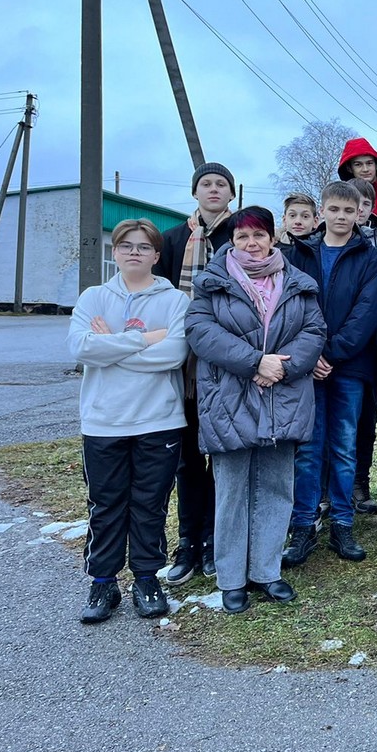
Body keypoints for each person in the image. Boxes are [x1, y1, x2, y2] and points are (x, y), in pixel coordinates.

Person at [185, 206, 326, 614]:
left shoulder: (298, 283)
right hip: (230, 397)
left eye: (259, 235)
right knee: (232, 490)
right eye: (243, 236)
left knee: (277, 487)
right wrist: (254, 362)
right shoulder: (212, 282)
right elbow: (199, 331)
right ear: (232, 241)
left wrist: (281, 367)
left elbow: (314, 330)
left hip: (283, 396)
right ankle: (232, 578)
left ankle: (266, 570)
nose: (252, 243)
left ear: (272, 237)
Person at [68, 219, 190, 624]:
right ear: (115, 252)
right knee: (105, 504)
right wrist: (144, 338)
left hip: (158, 419)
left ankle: (146, 579)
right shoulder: (93, 297)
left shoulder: (175, 301)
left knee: (150, 504)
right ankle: (103, 582)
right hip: (104, 421)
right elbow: (81, 348)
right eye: (126, 245)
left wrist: (110, 345)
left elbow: (173, 355)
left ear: (156, 256)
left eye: (143, 247)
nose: (134, 252)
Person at [283, 182, 377, 566]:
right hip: (306, 368)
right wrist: (310, 355)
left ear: (359, 213)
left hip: (350, 367)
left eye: (348, 210)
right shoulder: (299, 254)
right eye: (334, 209)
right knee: (308, 450)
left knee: (344, 448)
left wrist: (332, 352)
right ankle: (303, 525)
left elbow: (367, 312)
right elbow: (289, 308)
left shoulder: (369, 258)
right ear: (321, 212)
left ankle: (342, 523)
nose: (341, 217)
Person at [155, 162, 235, 585]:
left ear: (231, 193)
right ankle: (187, 541)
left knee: (221, 454)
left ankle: (213, 538)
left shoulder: (240, 236)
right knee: (187, 458)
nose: (214, 189)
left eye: (221, 184)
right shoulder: (172, 239)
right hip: (183, 364)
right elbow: (161, 297)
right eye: (206, 183)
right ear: (195, 192)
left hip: (224, 362)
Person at [346, 176, 377, 515]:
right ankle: (329, 488)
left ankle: (360, 482)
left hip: (371, 344)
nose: (358, 210)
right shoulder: (322, 243)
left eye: (364, 204)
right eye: (352, 203)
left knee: (365, 418)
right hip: (335, 346)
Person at [337, 137, 377, 223]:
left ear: (376, 165)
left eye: (369, 163)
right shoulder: (341, 196)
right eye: (358, 164)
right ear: (349, 168)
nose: (365, 169)